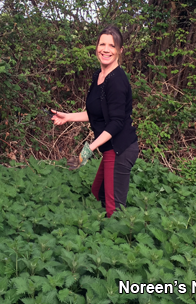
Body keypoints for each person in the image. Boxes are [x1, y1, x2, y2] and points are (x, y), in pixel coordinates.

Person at [50, 25, 139, 218]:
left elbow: (115, 122)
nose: (106, 49)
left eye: (112, 46)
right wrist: (68, 117)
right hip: (108, 149)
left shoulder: (117, 80)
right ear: (96, 47)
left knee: (113, 210)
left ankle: (121, 241)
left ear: (120, 51)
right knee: (97, 192)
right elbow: (98, 113)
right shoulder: (98, 76)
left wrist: (88, 150)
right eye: (102, 44)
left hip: (119, 149)